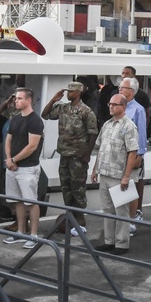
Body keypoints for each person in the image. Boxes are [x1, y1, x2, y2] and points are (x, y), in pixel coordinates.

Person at [42, 81, 98, 235]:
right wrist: (54, 99)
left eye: (71, 91)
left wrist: (87, 154)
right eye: (68, 91)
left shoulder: (86, 111)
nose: (68, 93)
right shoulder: (63, 108)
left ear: (78, 92)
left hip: (78, 156)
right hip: (64, 154)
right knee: (65, 186)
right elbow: (45, 115)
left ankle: (79, 218)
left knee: (78, 188)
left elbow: (93, 133)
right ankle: (69, 213)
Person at [91, 94, 140, 255]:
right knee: (107, 210)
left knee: (121, 211)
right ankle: (109, 241)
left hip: (119, 175)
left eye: (114, 104)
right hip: (105, 173)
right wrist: (94, 169)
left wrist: (126, 176)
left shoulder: (129, 126)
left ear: (123, 107)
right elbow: (100, 148)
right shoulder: (107, 124)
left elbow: (132, 153)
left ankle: (122, 243)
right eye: (109, 103)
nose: (111, 106)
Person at [3, 88, 44, 248]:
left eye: (20, 98)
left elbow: (32, 146)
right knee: (17, 201)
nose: (16, 101)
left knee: (31, 202)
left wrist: (13, 159)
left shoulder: (35, 121)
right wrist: (9, 159)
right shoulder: (15, 119)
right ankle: (21, 231)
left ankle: (33, 235)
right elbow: (8, 140)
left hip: (28, 167)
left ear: (29, 100)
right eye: (16, 98)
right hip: (13, 167)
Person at [118, 76, 149, 231]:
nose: (119, 89)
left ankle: (130, 222)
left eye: (122, 87)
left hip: (132, 154)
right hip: (118, 155)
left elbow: (141, 133)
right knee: (119, 189)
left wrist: (140, 155)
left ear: (131, 91)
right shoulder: (118, 107)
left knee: (130, 187)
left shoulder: (138, 109)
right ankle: (120, 220)